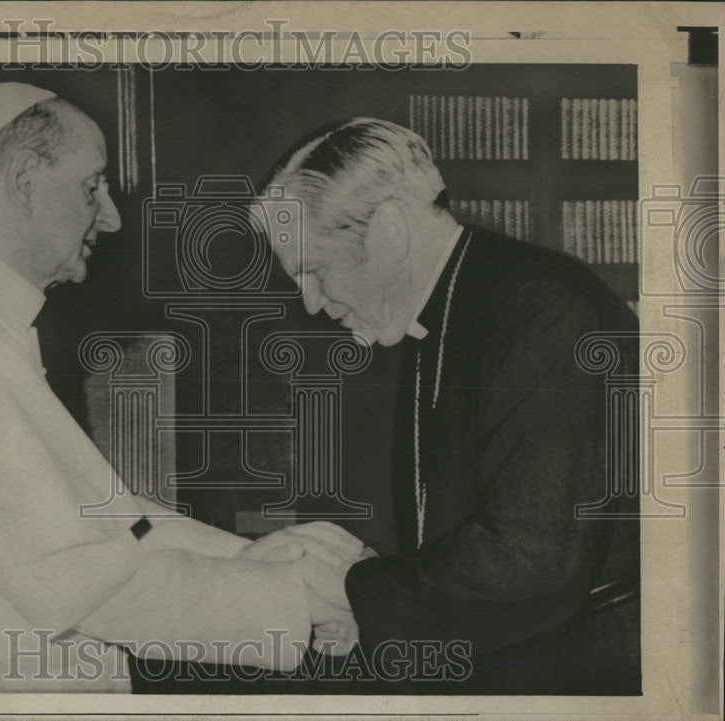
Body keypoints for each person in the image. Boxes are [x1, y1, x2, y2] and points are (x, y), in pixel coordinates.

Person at [0, 83, 363, 693]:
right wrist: (308, 595)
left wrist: (267, 556)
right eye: (92, 187)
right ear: (23, 182)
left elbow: (107, 525)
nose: (112, 216)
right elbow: (98, 592)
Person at [254, 118, 640, 693]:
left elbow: (528, 561)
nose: (311, 302)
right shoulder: (449, 305)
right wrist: (370, 608)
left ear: (386, 231)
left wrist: (355, 588)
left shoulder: (543, 310)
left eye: (315, 270)